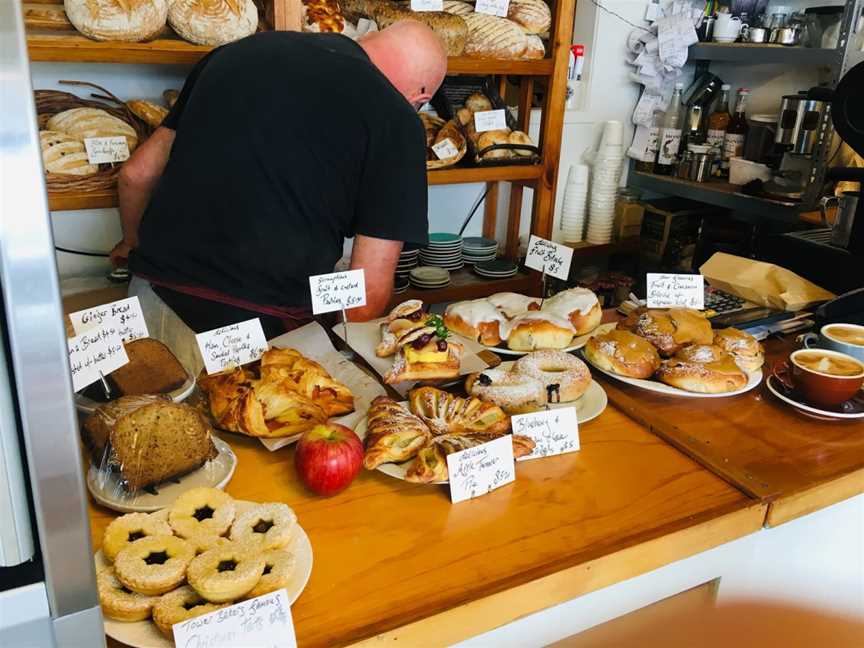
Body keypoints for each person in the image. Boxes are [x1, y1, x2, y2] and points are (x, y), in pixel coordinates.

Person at [110, 21, 447, 358]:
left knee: (144, 408)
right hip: (253, 338)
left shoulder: (233, 55)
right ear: (421, 98)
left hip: (150, 303)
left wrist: (131, 246)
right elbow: (366, 296)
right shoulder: (396, 118)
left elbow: (136, 175)